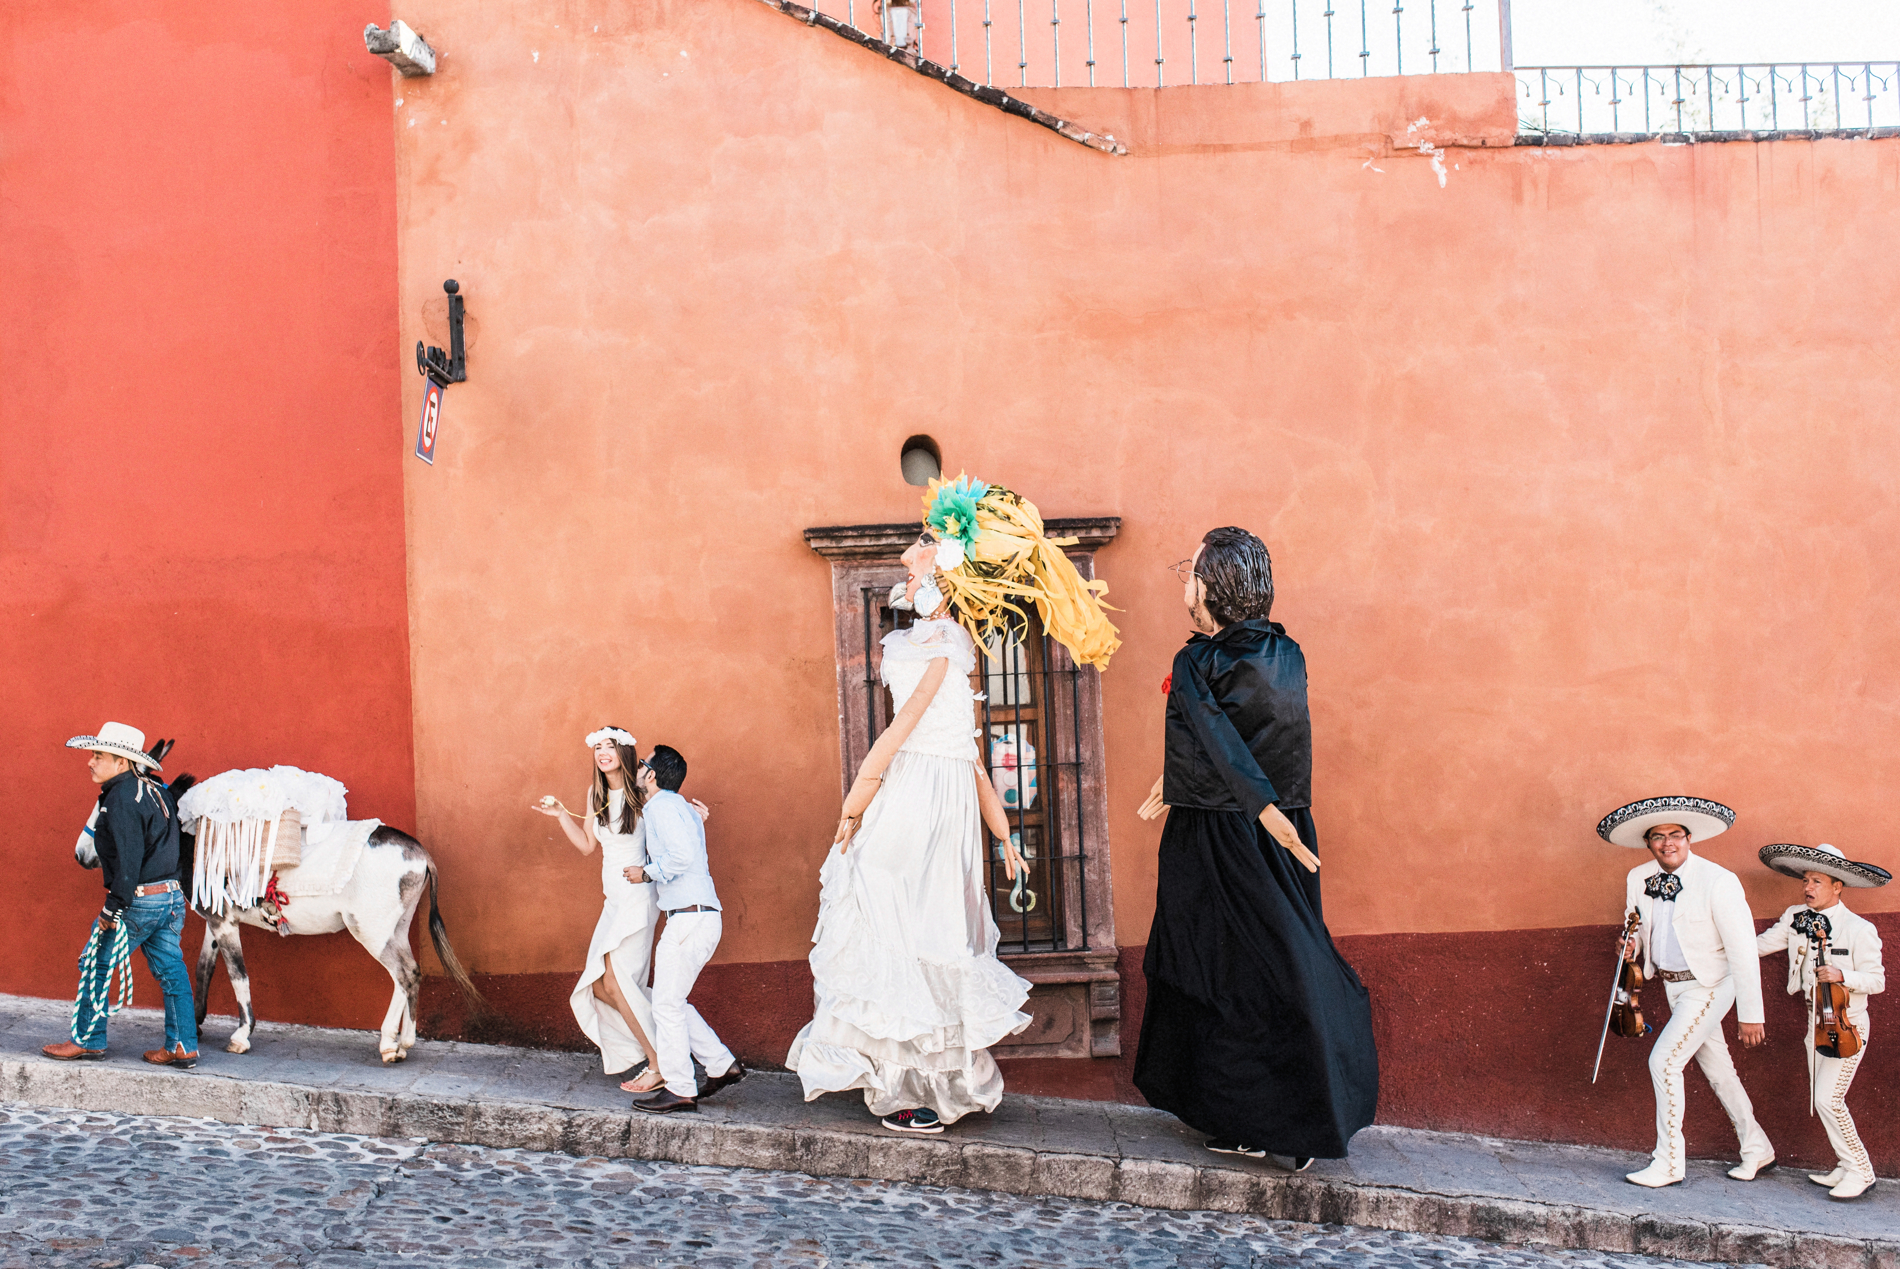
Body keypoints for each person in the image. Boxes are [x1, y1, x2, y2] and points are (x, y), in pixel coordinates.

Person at [787, 474, 1119, 1133]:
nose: (909, 557)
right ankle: (902, 1083)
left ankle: (922, 1086)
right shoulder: (920, 644)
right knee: (902, 931)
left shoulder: (940, 648)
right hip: (923, 798)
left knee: (921, 933)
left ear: (939, 572)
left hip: (924, 803)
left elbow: (917, 735)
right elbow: (962, 747)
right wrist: (1002, 836)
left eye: (920, 549)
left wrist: (859, 802)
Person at [1132, 527, 1377, 1167]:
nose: (1183, 581)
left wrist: (1264, 812)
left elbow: (1220, 737)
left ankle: (1286, 1120)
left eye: (1190, 571)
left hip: (1225, 832)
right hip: (1275, 824)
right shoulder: (1286, 653)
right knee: (1269, 963)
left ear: (1209, 588)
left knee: (1221, 969)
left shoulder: (1194, 662)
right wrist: (1176, 780)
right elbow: (1253, 735)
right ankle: (1248, 1115)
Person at [1598, 796, 1773, 1187]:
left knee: (1664, 1061)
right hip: (1672, 987)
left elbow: (1743, 948)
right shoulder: (1638, 878)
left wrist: (1751, 1012)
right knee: (1719, 1071)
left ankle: (1669, 1162)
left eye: (1675, 834)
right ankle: (1757, 1146)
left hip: (1710, 985)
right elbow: (1640, 931)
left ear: (1689, 838)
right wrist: (1631, 947)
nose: (1667, 843)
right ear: (1649, 843)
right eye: (1657, 837)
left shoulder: (1719, 880)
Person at [44, 722, 199, 1068]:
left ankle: (87, 1040)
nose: (90, 762)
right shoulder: (156, 791)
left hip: (139, 901)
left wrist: (111, 910)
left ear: (122, 762)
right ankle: (182, 1045)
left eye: (99, 755)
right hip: (171, 897)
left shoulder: (122, 799)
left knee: (94, 965)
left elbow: (129, 862)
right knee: (172, 971)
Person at [532, 726, 669, 1094]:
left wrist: (694, 820)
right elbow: (588, 846)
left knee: (616, 982)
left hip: (638, 894)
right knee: (601, 985)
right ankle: (665, 1046)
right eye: (598, 747)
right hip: (614, 899)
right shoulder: (595, 794)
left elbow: (670, 825)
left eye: (610, 746)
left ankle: (660, 1063)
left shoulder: (642, 792)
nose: (602, 752)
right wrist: (562, 814)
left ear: (624, 752)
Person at [1754, 841, 1888, 1200]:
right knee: (1820, 1097)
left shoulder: (1860, 929)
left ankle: (1861, 1169)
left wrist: (1842, 974)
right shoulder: (1796, 916)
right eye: (1806, 881)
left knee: (1830, 1100)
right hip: (1815, 1023)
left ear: (1837, 886)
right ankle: (1845, 1166)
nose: (1808, 887)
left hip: (1849, 1027)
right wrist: (1716, 949)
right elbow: (1761, 945)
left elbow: (1878, 981)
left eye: (1816, 881)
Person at [624, 745, 746, 1113]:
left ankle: (679, 1088)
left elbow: (681, 857)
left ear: (653, 776)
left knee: (665, 1005)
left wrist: (645, 873)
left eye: (644, 764)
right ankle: (722, 1065)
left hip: (689, 917)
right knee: (671, 1001)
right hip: (700, 916)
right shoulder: (677, 808)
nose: (640, 768)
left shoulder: (662, 807)